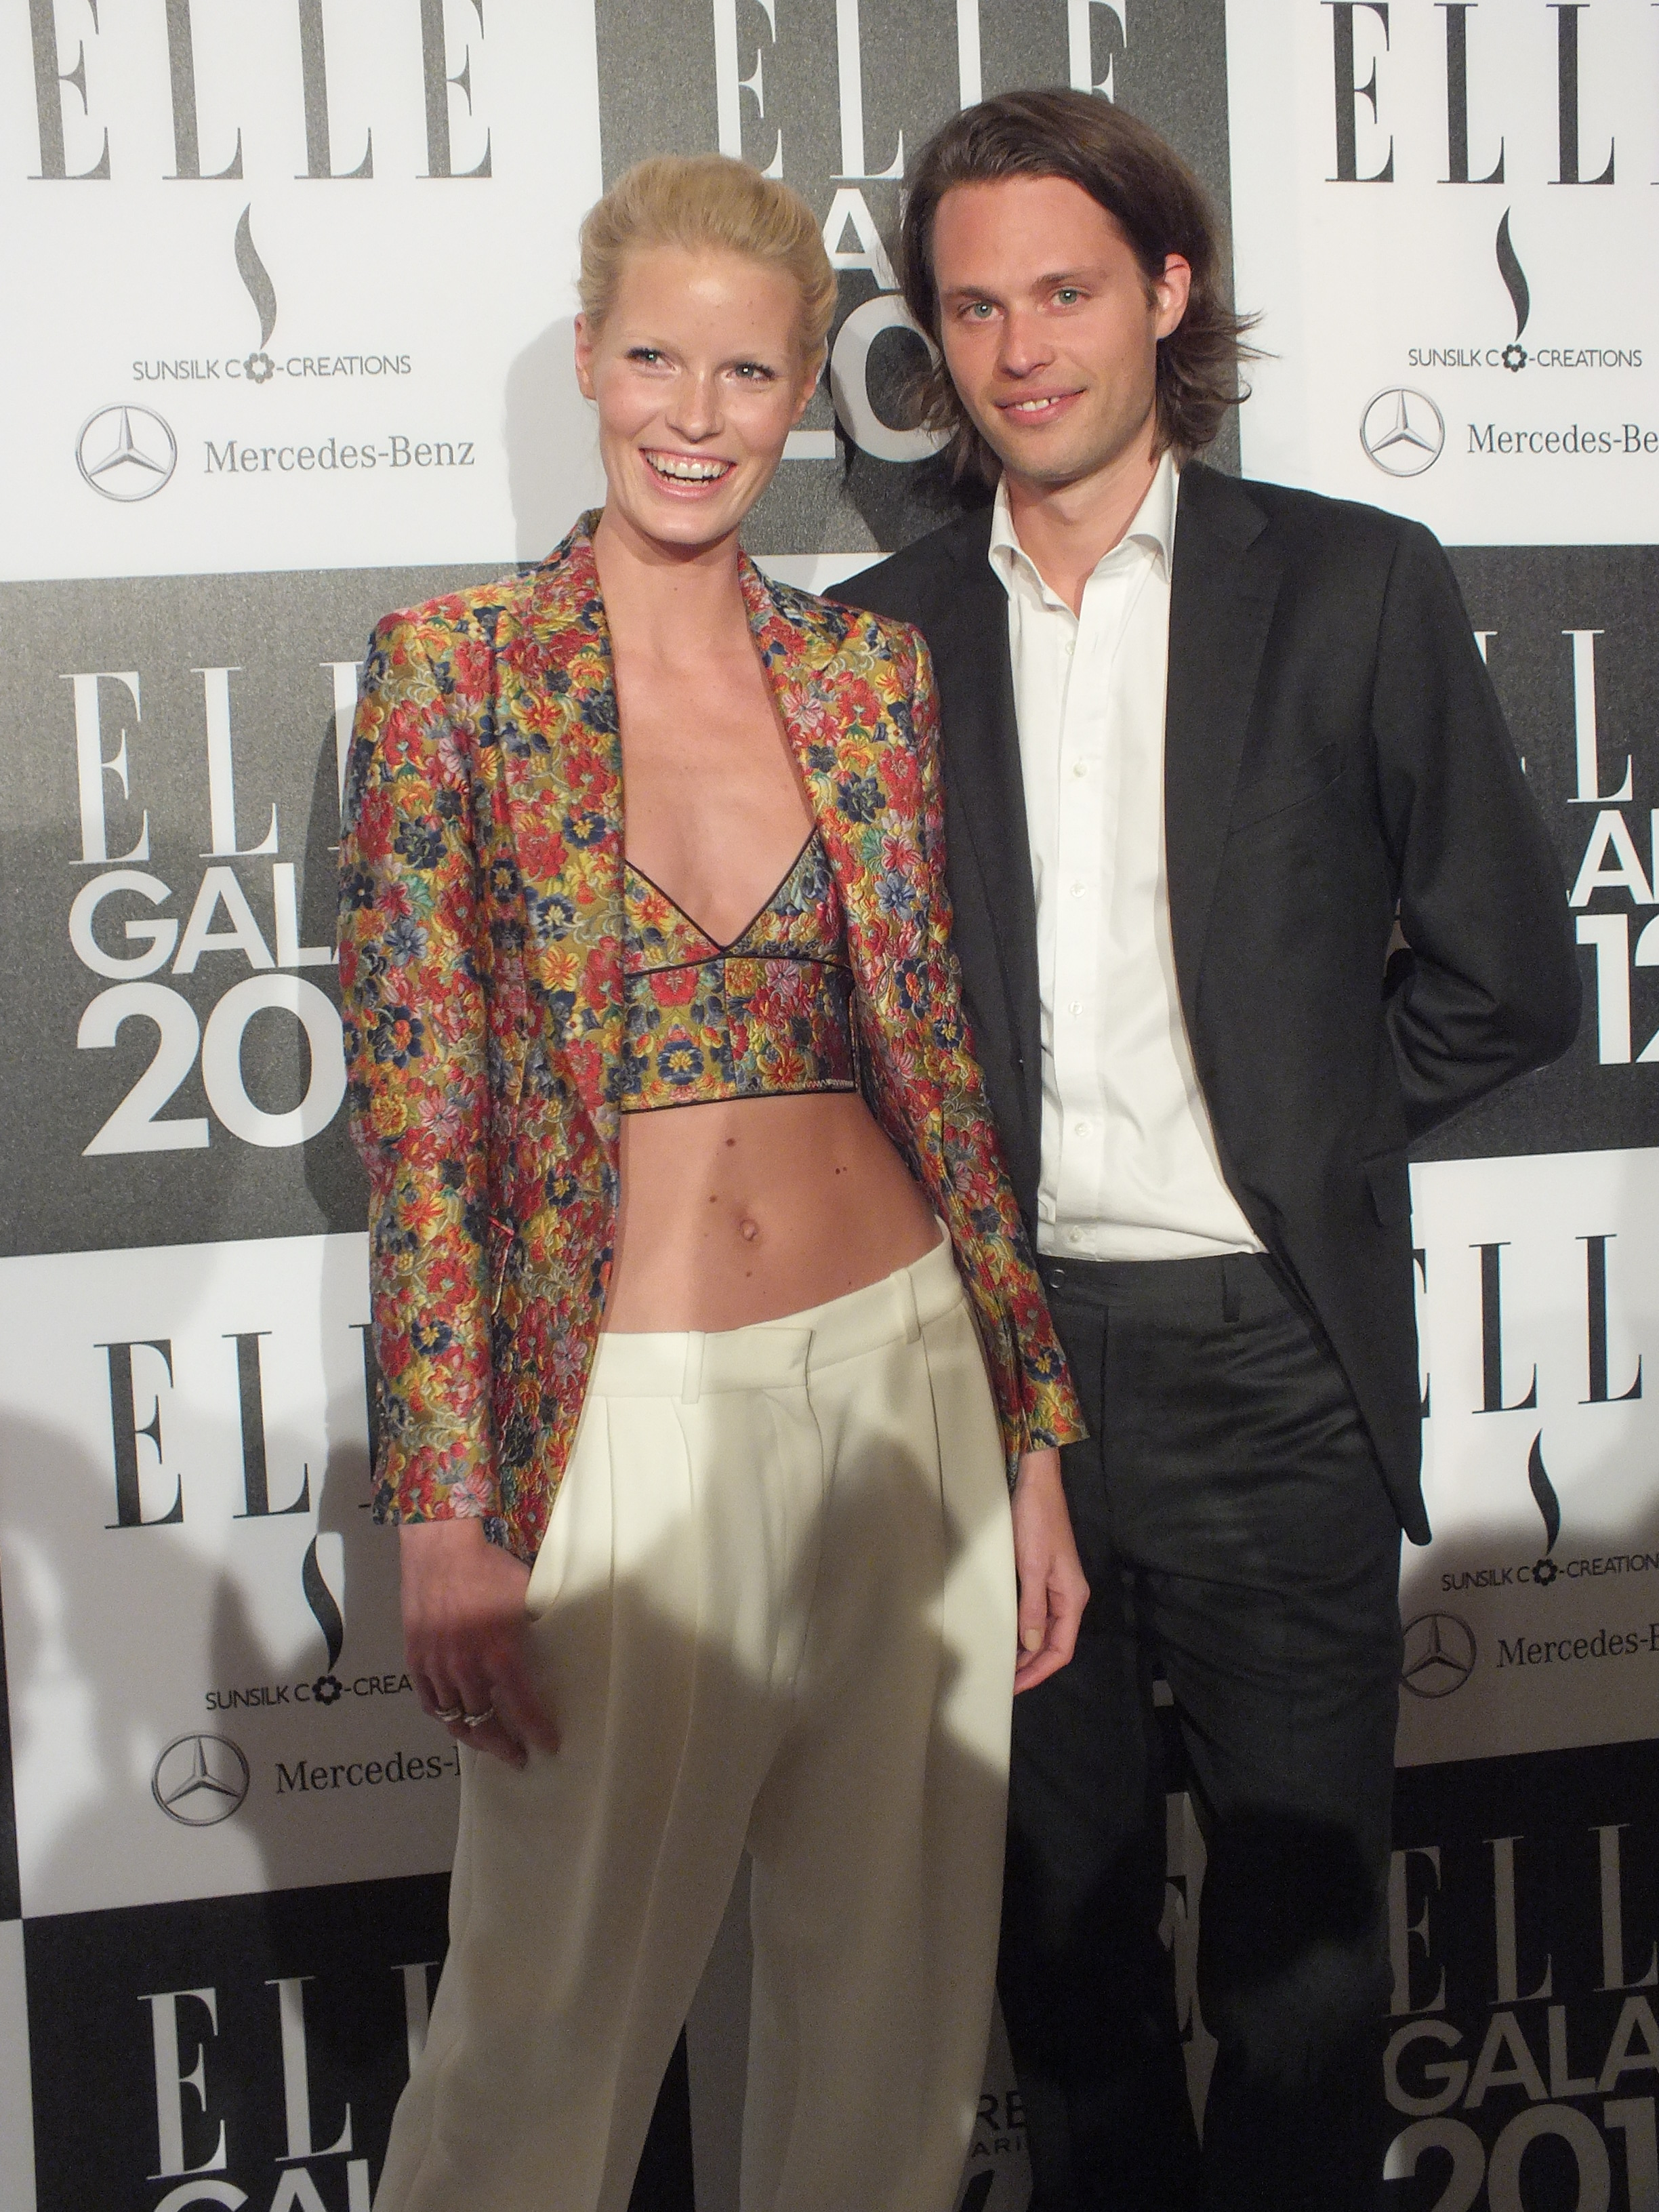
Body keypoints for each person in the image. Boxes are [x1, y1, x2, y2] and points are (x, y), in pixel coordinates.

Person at [836, 89, 1580, 2212]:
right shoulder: (874, 639)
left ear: (1168, 293)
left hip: (1272, 1367)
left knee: (1304, 1982)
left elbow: (1511, 976)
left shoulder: (1352, 584)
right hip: (996, 1386)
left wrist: (1292, 1138)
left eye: (1065, 292)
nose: (1022, 348)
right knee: (1059, 1970)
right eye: (976, 307)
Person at [338, 151, 1088, 2212]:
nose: (696, 413)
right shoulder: (452, 672)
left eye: (748, 372)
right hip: (625, 1425)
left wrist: (1028, 1430)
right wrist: (446, 1502)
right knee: (542, 2035)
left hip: (904, 1384)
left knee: (891, 2026)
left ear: (798, 397)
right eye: (657, 359)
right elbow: (422, 1111)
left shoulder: (863, 679)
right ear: (590, 360)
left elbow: (936, 1069)